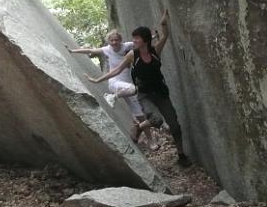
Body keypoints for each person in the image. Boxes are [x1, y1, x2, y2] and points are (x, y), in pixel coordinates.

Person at [85, 10, 191, 167]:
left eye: (136, 38)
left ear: (145, 40)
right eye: (133, 38)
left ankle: (181, 155)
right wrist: (97, 80)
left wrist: (163, 24)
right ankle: (139, 127)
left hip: (161, 93)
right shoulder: (132, 55)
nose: (133, 41)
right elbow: (116, 71)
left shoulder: (155, 51)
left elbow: (165, 36)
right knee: (156, 120)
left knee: (175, 126)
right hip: (144, 95)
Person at [67, 30, 158, 150]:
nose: (114, 42)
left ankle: (150, 141)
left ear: (120, 40)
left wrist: (155, 36)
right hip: (115, 83)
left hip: (129, 86)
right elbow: (90, 51)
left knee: (141, 116)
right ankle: (112, 97)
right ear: (108, 41)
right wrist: (72, 51)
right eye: (112, 40)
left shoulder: (127, 46)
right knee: (133, 89)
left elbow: (141, 42)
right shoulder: (106, 49)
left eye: (116, 40)